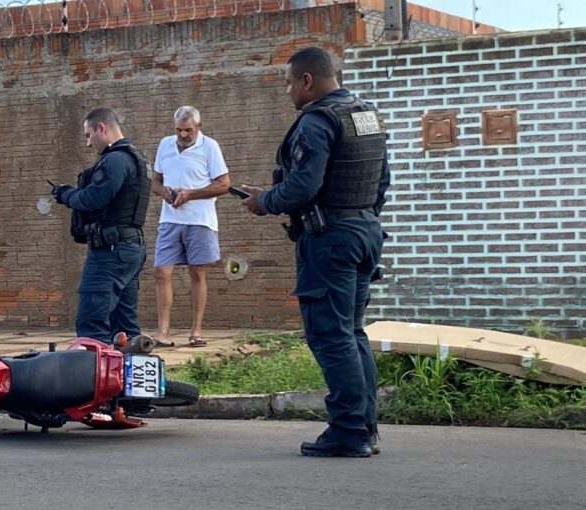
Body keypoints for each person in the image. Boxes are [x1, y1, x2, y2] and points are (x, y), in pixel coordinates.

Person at [238, 46, 390, 458]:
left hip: (331, 239)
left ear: (307, 80)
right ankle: (364, 428)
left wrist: (265, 200)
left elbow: (304, 186)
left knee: (330, 335)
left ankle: (347, 431)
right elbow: (381, 180)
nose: (287, 91)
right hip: (365, 231)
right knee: (352, 333)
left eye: (289, 82)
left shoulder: (316, 121)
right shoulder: (365, 114)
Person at [52, 108, 151, 343]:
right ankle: (132, 377)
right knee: (125, 330)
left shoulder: (115, 160)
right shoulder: (137, 158)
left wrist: (65, 194)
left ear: (102, 128)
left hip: (111, 251)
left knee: (91, 326)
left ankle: (94, 378)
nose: (88, 143)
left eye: (88, 135)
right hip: (129, 248)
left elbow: (93, 199)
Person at [150, 106, 230, 348]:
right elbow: (155, 181)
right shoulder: (165, 145)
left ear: (198, 127)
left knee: (197, 272)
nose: (183, 135)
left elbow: (224, 184)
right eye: (178, 130)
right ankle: (163, 332)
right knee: (161, 272)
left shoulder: (210, 147)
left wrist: (191, 194)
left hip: (200, 220)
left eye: (188, 130)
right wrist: (165, 193)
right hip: (170, 219)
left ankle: (196, 330)